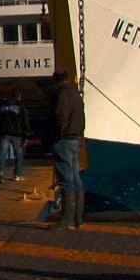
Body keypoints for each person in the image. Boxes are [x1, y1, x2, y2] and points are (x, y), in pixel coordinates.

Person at [49, 70, 85, 230]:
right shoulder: (77, 95)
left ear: (55, 81)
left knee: (66, 179)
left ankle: (66, 220)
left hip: (63, 140)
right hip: (75, 138)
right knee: (76, 179)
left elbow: (60, 116)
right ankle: (79, 219)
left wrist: (57, 135)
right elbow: (82, 119)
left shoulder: (62, 95)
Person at [0, 89, 30, 183]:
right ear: (19, 97)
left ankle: (0, 172)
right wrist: (26, 136)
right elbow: (25, 121)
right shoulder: (21, 107)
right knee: (18, 155)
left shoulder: (2, 106)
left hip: (4, 133)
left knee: (2, 153)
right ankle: (17, 175)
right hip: (17, 135)